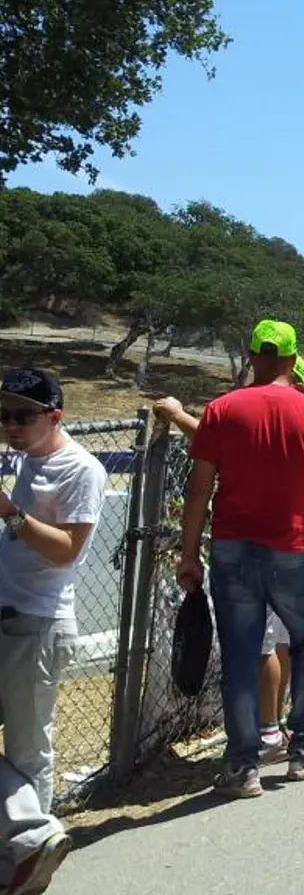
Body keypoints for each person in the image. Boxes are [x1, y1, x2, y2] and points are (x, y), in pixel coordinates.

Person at [178, 320, 304, 798]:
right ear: (294, 362)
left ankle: (242, 766)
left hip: (231, 547)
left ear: (252, 356)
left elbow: (198, 491)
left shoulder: (221, 410)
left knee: (239, 653)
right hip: (292, 547)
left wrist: (189, 554)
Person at [152, 353, 304, 761]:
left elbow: (217, 446)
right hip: (291, 544)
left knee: (256, 647)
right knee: (281, 642)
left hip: (251, 546)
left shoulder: (247, 417)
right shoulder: (303, 422)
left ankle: (267, 734)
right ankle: (275, 726)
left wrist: (178, 414)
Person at [0, 369, 106, 893]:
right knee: (24, 745)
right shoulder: (25, 458)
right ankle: (29, 842)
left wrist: (11, 514)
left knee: (27, 748)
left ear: (55, 417)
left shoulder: (80, 469)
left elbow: (67, 551)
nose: (11, 426)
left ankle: (30, 851)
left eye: (23, 416)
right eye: (4, 416)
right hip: (7, 612)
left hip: (36, 620)